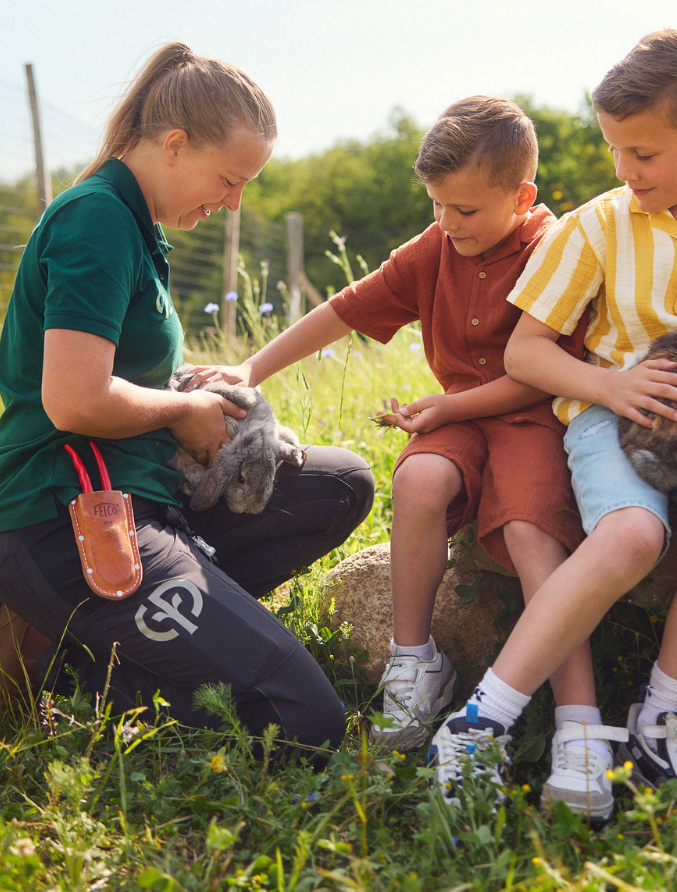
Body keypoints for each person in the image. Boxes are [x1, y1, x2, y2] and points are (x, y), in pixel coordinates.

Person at [190, 96, 619, 818]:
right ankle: (415, 662)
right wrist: (251, 370)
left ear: (523, 197)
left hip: (534, 421)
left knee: (529, 537)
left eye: (467, 211)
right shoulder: (438, 245)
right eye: (439, 206)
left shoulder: (557, 249)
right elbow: (345, 309)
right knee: (419, 476)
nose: (449, 224)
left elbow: (541, 370)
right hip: (457, 417)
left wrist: (449, 407)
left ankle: (581, 720)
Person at [431, 30, 677, 815]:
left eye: (642, 154)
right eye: (614, 150)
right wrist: (611, 387)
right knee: (633, 537)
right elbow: (528, 353)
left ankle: (664, 727)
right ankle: (481, 719)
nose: (624, 171)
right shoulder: (598, 225)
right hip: (610, 421)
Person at [0, 42, 375, 752]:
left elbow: (121, 370)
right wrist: (183, 411)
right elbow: (73, 401)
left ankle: (90, 640)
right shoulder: (95, 220)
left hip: (149, 499)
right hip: (63, 520)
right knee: (306, 725)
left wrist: (192, 383)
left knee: (340, 483)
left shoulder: (138, 228)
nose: (234, 201)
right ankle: (58, 642)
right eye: (228, 178)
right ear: (176, 145)